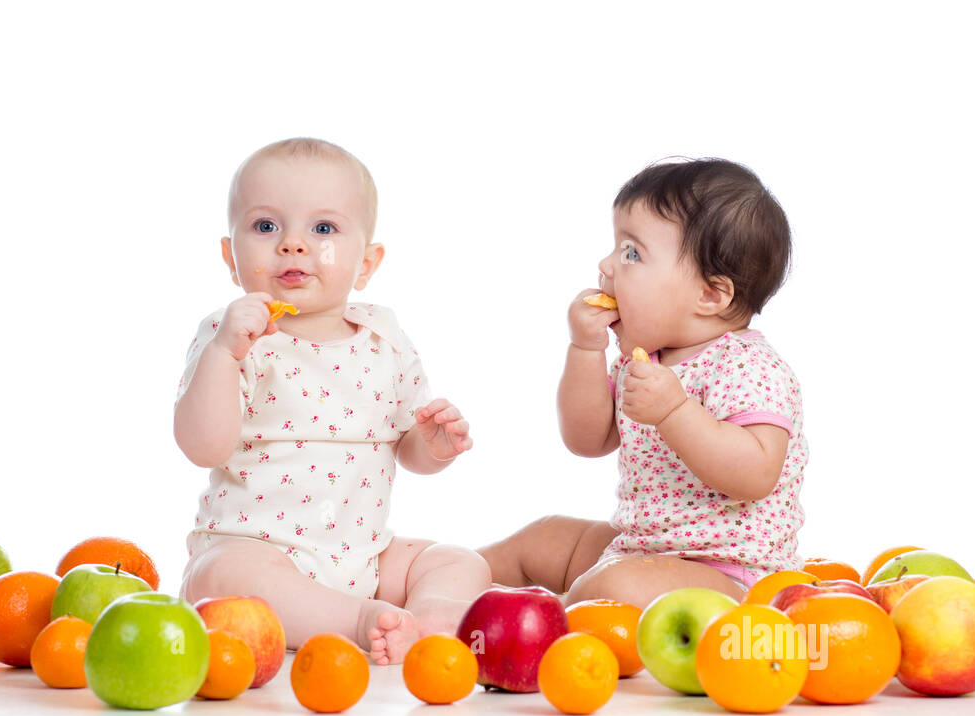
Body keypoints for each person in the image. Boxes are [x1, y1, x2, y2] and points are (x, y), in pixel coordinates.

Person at [175, 138, 491, 665]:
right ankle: (354, 621)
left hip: (362, 557)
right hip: (256, 548)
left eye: (322, 229)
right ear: (232, 258)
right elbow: (203, 446)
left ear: (366, 264)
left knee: (456, 560)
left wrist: (430, 445)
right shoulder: (233, 336)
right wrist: (224, 355)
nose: (293, 244)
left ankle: (431, 617)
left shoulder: (383, 337)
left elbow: (405, 445)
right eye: (266, 226)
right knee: (223, 577)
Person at [480, 158, 807, 606]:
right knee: (545, 537)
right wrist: (586, 350)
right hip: (640, 549)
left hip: (728, 576)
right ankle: (448, 580)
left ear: (710, 295)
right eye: (616, 248)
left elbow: (756, 474)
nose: (607, 264)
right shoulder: (644, 360)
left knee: (614, 586)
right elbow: (586, 439)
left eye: (632, 253)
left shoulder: (750, 367)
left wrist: (675, 412)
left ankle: (538, 615)